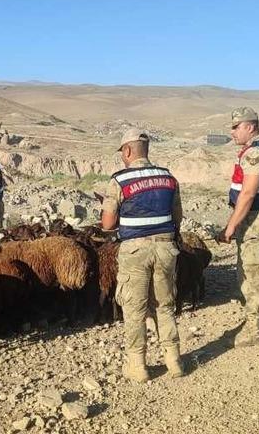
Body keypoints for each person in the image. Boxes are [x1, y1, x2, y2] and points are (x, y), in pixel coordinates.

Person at [101, 128, 184, 381]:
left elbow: (107, 224)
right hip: (165, 247)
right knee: (165, 305)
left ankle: (138, 366)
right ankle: (174, 360)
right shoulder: (168, 178)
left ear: (127, 150)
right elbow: (177, 216)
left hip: (135, 250)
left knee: (134, 308)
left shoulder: (120, 180)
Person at [216, 107, 259, 347]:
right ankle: (251, 319)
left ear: (250, 127)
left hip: (257, 218)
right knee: (246, 269)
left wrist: (231, 226)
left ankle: (255, 330)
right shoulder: (255, 149)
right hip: (253, 217)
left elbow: (249, 192)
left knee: (253, 273)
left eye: (236, 126)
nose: (232, 132)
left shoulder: (254, 153)